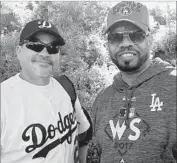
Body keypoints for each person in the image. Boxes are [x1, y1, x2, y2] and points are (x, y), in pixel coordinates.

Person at [92, 1, 176, 163]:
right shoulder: (102, 100)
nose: (125, 43)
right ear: (108, 44)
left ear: (150, 39)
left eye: (136, 35)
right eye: (116, 37)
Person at [1, 19, 90, 163]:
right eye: (35, 45)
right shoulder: (3, 99)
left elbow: (83, 132)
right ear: (18, 51)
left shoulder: (66, 87)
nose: (44, 53)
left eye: (53, 47)